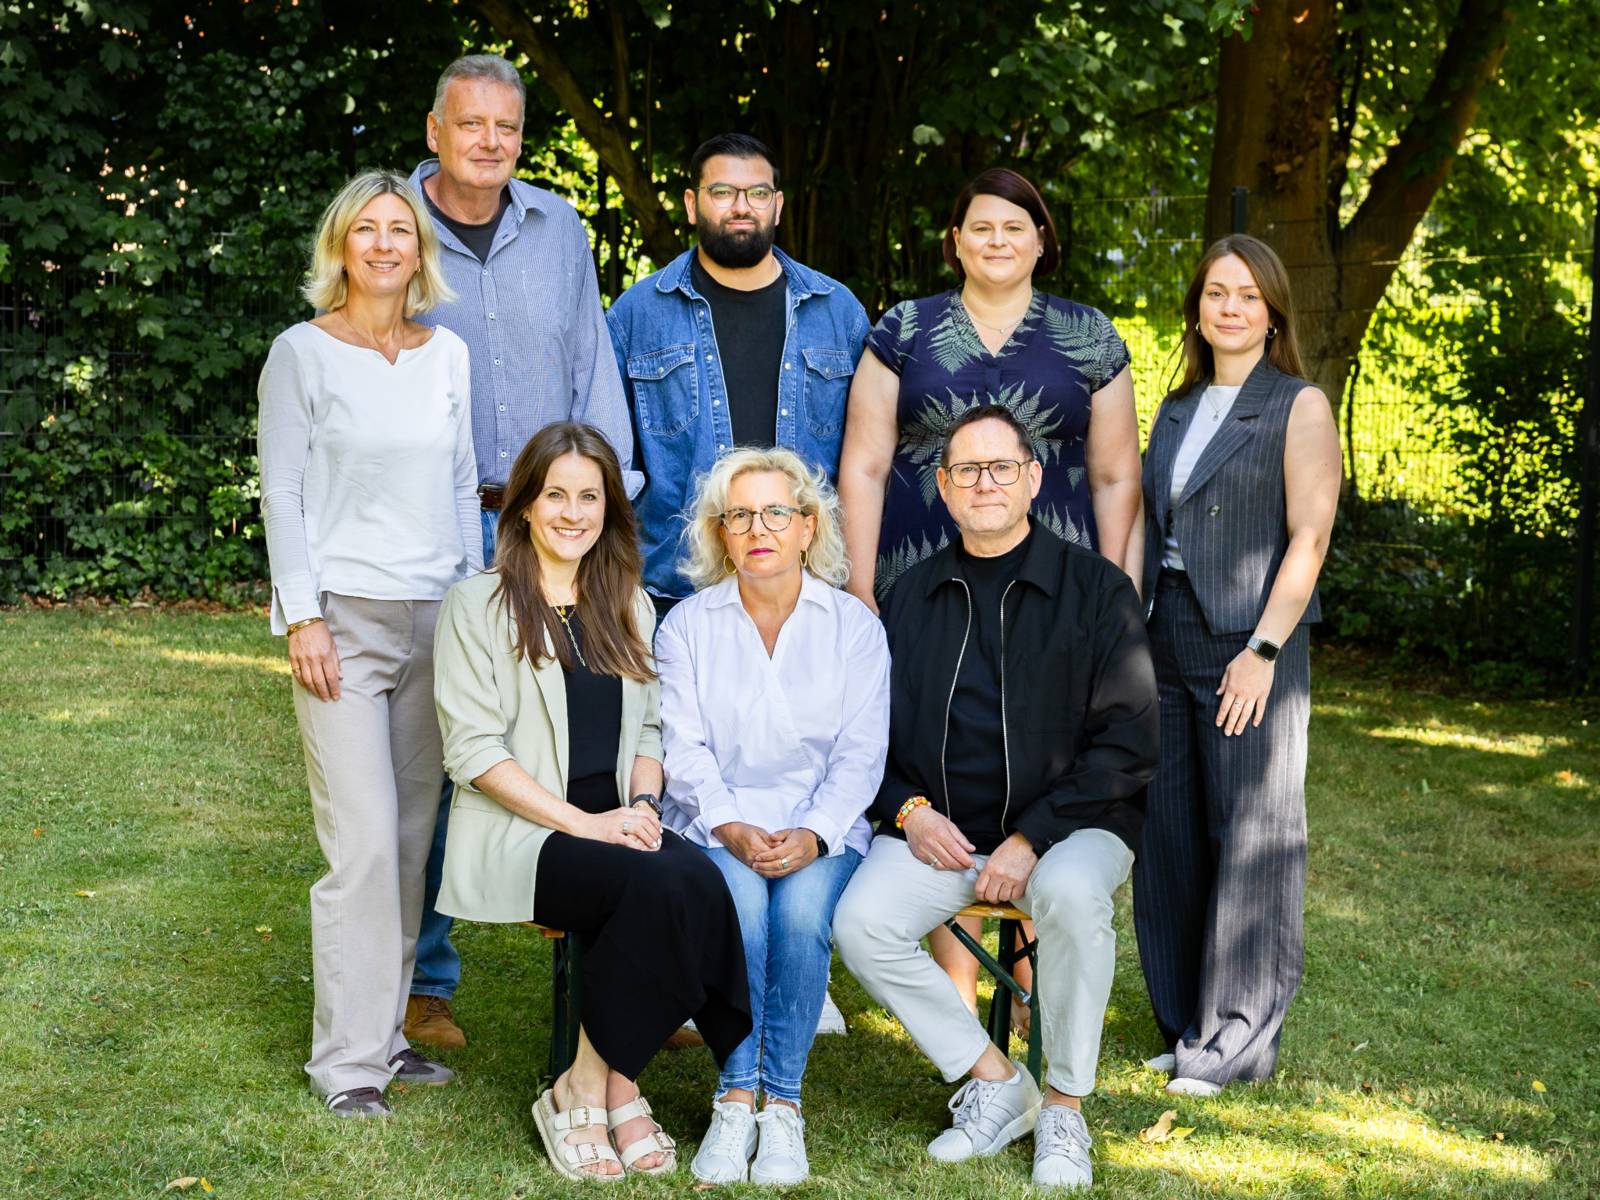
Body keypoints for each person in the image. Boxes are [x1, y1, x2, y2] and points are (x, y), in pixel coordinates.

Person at [837, 166, 1143, 1019]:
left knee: (1043, 751)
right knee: (945, 753)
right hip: (919, 570)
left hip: (1057, 580)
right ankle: (961, 988)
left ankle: (1034, 988)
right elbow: (862, 460)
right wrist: (860, 584)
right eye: (980, 227)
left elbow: (1118, 474)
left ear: (1042, 241)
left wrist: (1113, 587)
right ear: (956, 240)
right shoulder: (904, 329)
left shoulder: (1089, 338)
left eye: (1016, 227)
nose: (998, 240)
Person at [833, 405, 1159, 1191]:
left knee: (1075, 897)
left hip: (1075, 827)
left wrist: (1033, 837)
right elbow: (864, 740)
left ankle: (1064, 1110)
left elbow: (1131, 740)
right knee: (861, 921)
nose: (984, 483)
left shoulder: (1096, 591)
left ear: (1033, 480)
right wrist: (908, 812)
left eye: (1001, 468)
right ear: (943, 488)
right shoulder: (910, 598)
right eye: (966, 470)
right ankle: (993, 1080)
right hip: (944, 831)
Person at [431, 422, 752, 1180]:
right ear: (522, 509)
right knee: (653, 882)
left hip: (612, 819)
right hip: (524, 831)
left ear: (609, 508)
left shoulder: (629, 605)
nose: (573, 512)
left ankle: (599, 1078)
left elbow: (649, 729)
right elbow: (473, 753)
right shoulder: (475, 606)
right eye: (555, 495)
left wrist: (641, 806)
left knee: (692, 876)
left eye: (590, 496)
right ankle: (603, 1085)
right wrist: (588, 824)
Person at [405, 53, 639, 1052]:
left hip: (557, 519)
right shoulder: (390, 229)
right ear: (435, 131)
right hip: (441, 520)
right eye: (472, 125)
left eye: (507, 126)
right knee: (441, 751)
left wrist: (606, 488)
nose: (491, 142)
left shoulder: (558, 231)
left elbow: (589, 359)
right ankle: (425, 978)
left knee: (600, 725)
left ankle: (627, 950)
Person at [257, 169, 481, 1116]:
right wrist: (302, 616)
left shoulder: (448, 356)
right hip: (342, 623)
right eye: (368, 230)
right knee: (359, 846)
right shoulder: (301, 354)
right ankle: (347, 1065)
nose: (386, 245)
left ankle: (389, 1038)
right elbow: (285, 493)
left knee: (407, 840)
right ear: (340, 246)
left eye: (402, 230)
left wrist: (479, 611)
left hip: (437, 618)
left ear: (420, 252)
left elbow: (466, 484)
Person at [1133, 234, 1339, 1098]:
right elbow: (1150, 523)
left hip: (1250, 640)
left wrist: (1263, 649)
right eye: (1217, 293)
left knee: (1249, 837)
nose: (1231, 308)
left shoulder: (1298, 406)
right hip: (1165, 631)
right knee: (1171, 835)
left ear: (1273, 311)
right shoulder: (1176, 408)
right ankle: (1188, 1024)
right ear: (1198, 308)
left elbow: (1312, 535)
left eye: (1249, 295)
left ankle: (1238, 1041)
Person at [656, 448, 889, 1185]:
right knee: (744, 914)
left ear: (806, 525)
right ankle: (734, 1097)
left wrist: (816, 832)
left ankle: (781, 1107)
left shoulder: (853, 627)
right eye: (740, 515)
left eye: (776, 513)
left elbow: (861, 752)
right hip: (717, 825)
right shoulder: (686, 627)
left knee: (798, 919)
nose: (759, 529)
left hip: (825, 829)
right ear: (719, 533)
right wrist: (729, 826)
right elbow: (682, 748)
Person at [607, 133, 870, 624]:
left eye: (758, 193)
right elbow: (611, 464)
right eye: (723, 192)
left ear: (778, 205)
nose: (741, 207)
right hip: (674, 591)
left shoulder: (838, 313)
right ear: (692, 203)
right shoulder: (637, 317)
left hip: (808, 590)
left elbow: (868, 462)